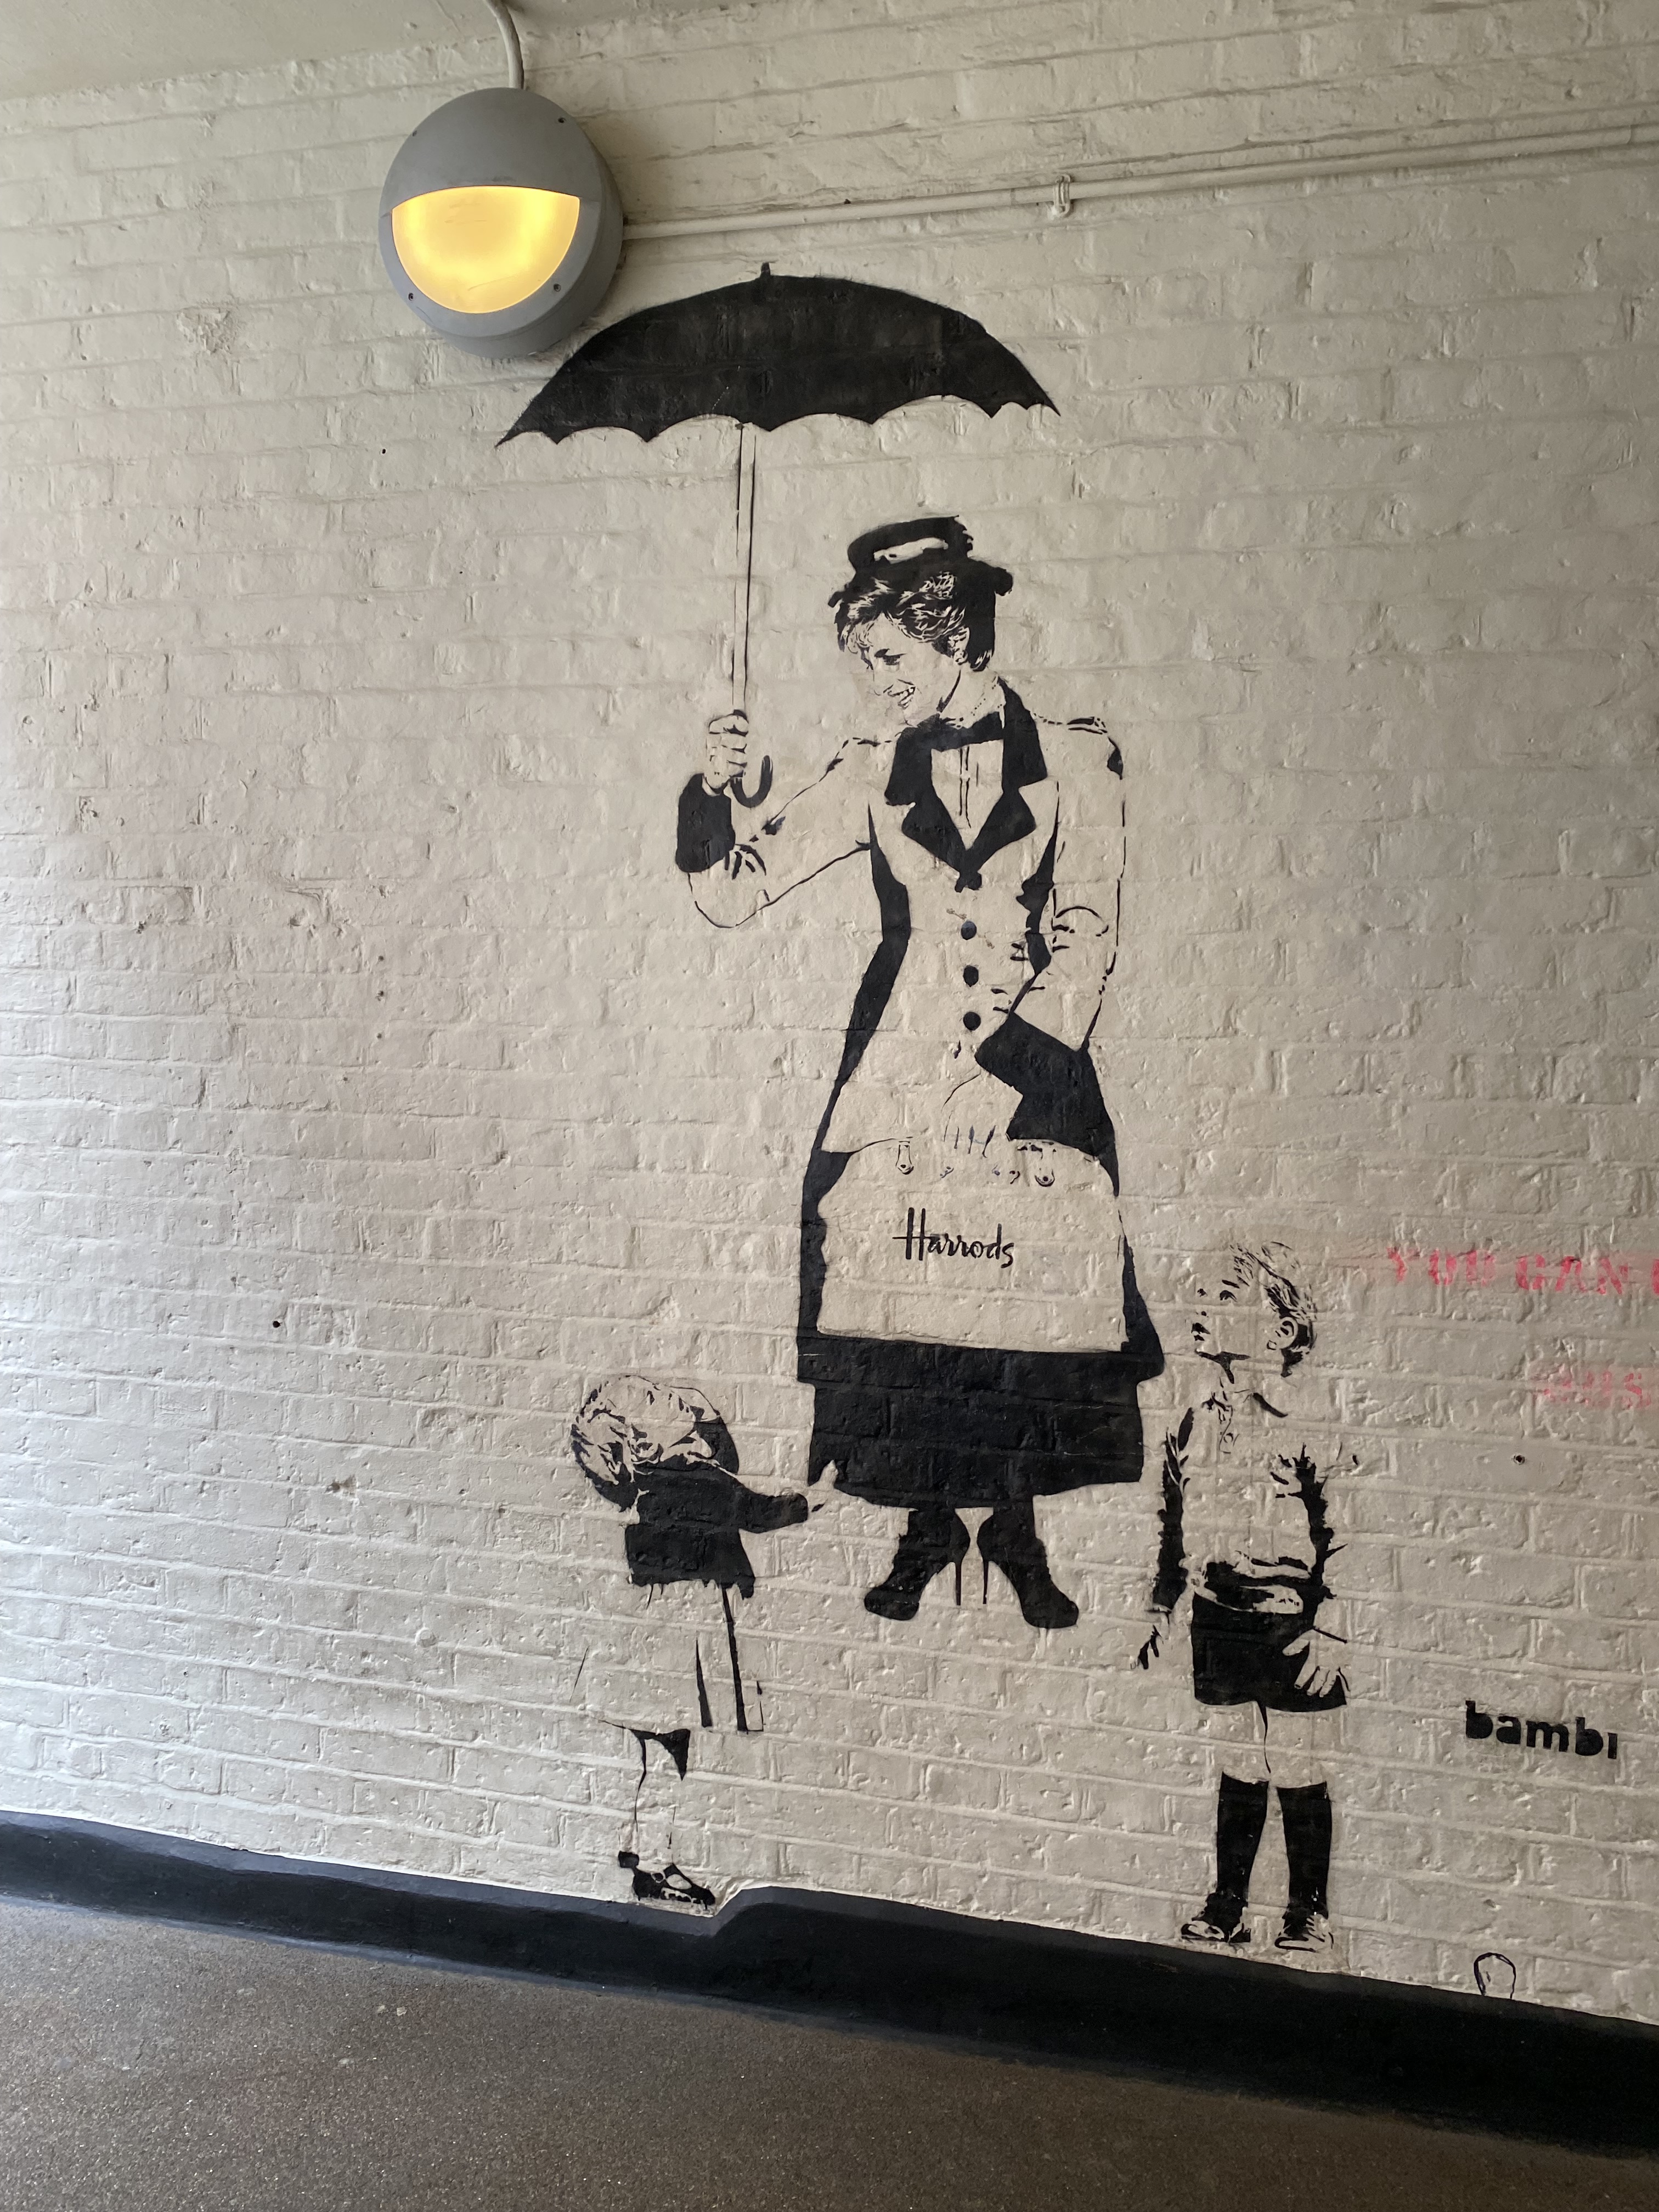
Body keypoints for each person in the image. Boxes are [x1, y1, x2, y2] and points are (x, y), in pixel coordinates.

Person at [675, 517, 1162, 1630]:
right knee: (900, 1290)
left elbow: (1087, 933)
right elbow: (732, 893)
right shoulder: (867, 767)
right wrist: (714, 791)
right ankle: (927, 1523)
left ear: (957, 637)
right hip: (898, 1061)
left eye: (890, 656)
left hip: (1033, 1063)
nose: (877, 682)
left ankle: (1016, 1532)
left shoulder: (1077, 758)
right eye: (862, 662)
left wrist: (1007, 1077)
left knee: (1023, 1291)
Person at [1136, 1245, 1350, 1953]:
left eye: (1225, 1297)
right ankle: (1228, 1902)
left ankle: (1307, 1910)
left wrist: (1334, 1625)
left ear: (1282, 1330)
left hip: (1290, 1624)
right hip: (1216, 1618)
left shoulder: (1308, 1423)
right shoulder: (1192, 1421)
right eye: (1200, 1295)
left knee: (1296, 1762)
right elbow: (1173, 1523)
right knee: (1238, 1760)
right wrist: (1162, 1605)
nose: (1201, 1308)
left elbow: (1346, 1531)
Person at [571, 1374, 812, 1908]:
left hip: (650, 1628)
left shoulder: (646, 1486)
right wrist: (813, 1501)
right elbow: (762, 1513)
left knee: (653, 1747)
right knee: (673, 1752)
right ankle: (657, 1865)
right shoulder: (701, 1479)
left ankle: (637, 1844)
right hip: (688, 1632)